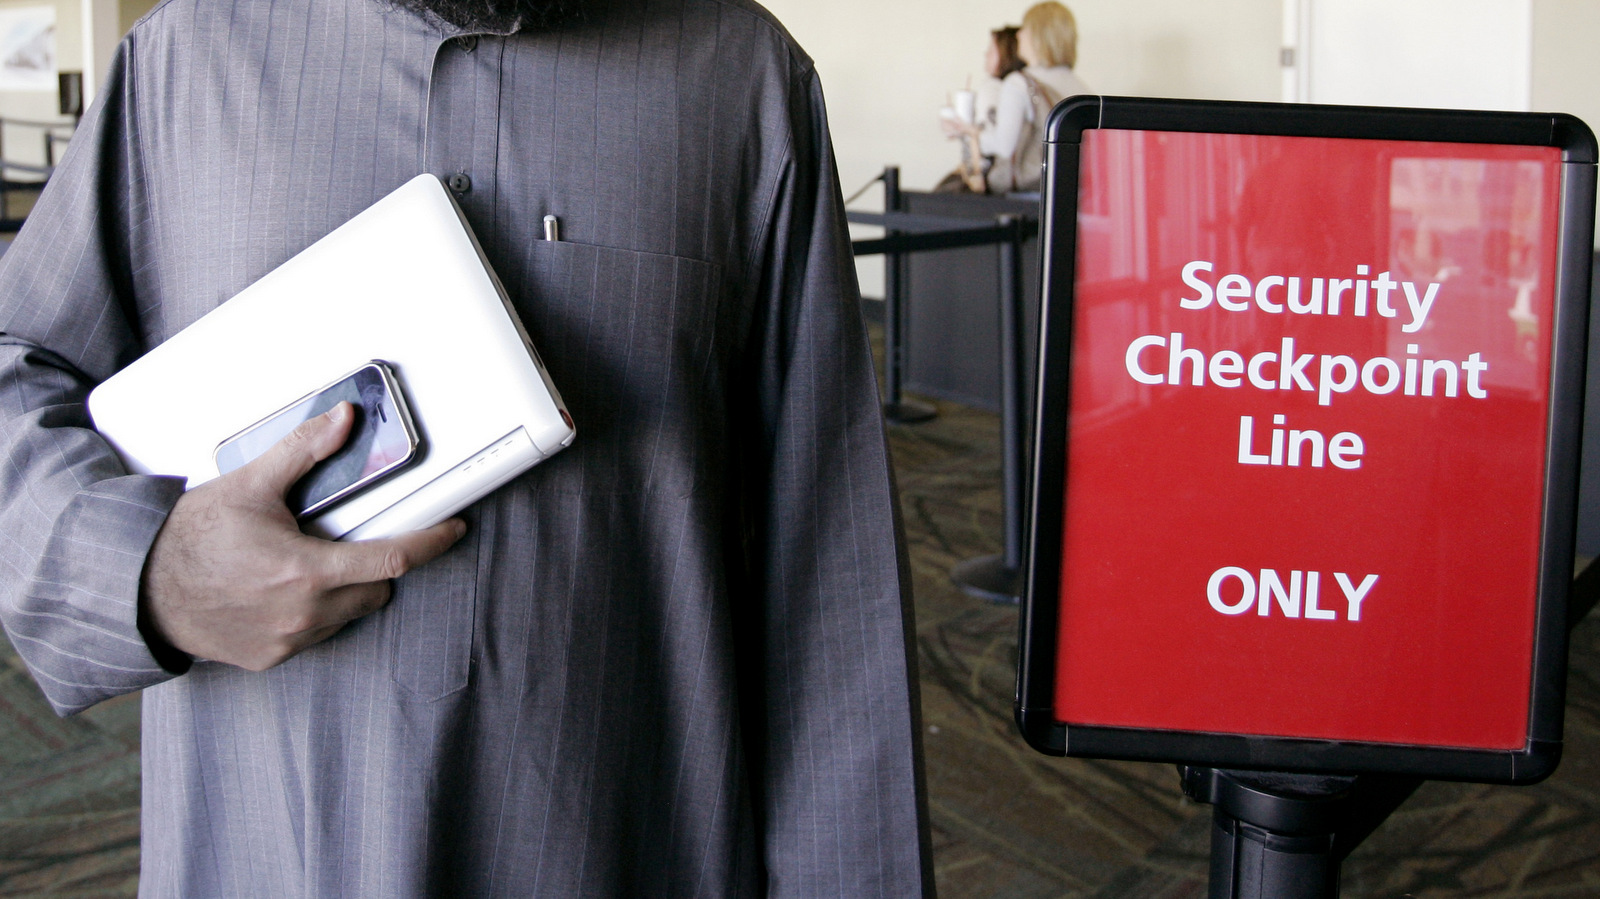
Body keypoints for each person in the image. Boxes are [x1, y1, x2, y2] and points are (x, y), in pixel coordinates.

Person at [0, 0, 934, 895]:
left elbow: (829, 580)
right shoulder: (184, 58)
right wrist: (148, 571)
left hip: (629, 848)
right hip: (268, 850)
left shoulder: (743, 79)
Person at [947, 1, 1089, 193]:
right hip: (1071, 190)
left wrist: (970, 134)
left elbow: (1004, 146)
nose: (1019, 34)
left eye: (1025, 29)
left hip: (1030, 195)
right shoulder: (1080, 85)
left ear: (1038, 35)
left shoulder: (1019, 83)